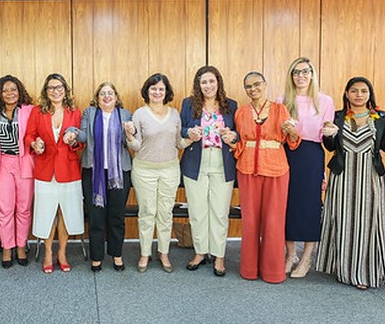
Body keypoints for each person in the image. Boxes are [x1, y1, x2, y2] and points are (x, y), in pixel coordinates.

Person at [316, 77, 385, 289]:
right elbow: (330, 147)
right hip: (342, 177)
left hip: (370, 179)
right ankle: (342, 268)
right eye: (354, 90)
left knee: (366, 224)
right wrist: (328, 135)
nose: (359, 95)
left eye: (363, 91)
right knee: (343, 221)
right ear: (346, 93)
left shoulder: (381, 118)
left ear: (369, 94)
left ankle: (363, 271)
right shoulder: (337, 117)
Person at [232, 71, 300, 283]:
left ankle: (273, 272)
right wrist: (231, 142)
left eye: (257, 84)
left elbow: (293, 141)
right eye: (248, 87)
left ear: (265, 84)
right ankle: (249, 269)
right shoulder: (241, 112)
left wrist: (292, 132)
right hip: (247, 169)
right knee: (250, 220)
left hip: (276, 169)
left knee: (274, 221)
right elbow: (240, 143)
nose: (253, 89)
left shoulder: (280, 109)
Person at [179, 65, 239, 277]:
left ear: (218, 83)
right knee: (197, 211)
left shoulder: (231, 105)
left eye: (211, 81)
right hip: (196, 162)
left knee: (219, 212)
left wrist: (232, 136)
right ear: (198, 85)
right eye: (203, 82)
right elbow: (181, 128)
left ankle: (219, 256)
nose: (208, 86)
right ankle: (201, 252)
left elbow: (238, 134)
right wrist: (190, 132)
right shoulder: (188, 103)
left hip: (222, 163)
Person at [278, 57, 334, 278]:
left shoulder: (325, 101)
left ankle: (307, 256)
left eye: (305, 72)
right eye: (295, 72)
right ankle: (290, 254)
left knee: (310, 205)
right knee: (288, 204)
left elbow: (327, 136)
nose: (300, 76)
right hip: (287, 154)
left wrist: (332, 132)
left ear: (312, 74)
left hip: (311, 155)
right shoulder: (282, 100)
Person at [25, 73, 84, 274]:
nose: (55, 91)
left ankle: (62, 253)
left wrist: (74, 141)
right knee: (47, 213)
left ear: (65, 90)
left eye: (59, 87)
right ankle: (48, 253)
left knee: (65, 214)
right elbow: (29, 136)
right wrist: (35, 144)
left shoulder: (75, 112)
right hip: (45, 170)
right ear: (46, 91)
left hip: (69, 170)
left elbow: (82, 139)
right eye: (51, 88)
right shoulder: (37, 111)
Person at [127, 73, 182, 273]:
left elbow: (179, 142)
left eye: (161, 89)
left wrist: (192, 138)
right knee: (147, 212)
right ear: (147, 91)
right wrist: (128, 136)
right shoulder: (140, 114)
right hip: (144, 170)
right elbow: (136, 145)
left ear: (166, 92)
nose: (157, 92)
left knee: (165, 213)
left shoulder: (174, 114)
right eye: (153, 88)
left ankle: (164, 252)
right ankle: (144, 253)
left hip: (170, 169)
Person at [78, 82, 133, 272]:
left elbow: (130, 142)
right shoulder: (90, 113)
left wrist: (130, 133)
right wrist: (72, 133)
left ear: (116, 97)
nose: (107, 96)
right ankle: (96, 256)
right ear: (97, 98)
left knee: (116, 215)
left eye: (110, 93)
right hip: (94, 171)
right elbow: (83, 136)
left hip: (120, 172)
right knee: (96, 216)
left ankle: (117, 254)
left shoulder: (125, 115)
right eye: (103, 93)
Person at [0, 75, 35, 268]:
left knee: (23, 208)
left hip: (24, 163)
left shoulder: (30, 111)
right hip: (2, 164)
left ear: (19, 91)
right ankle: (7, 247)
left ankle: (21, 246)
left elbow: (36, 133)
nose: (9, 93)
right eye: (5, 90)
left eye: (13, 89)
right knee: (5, 209)